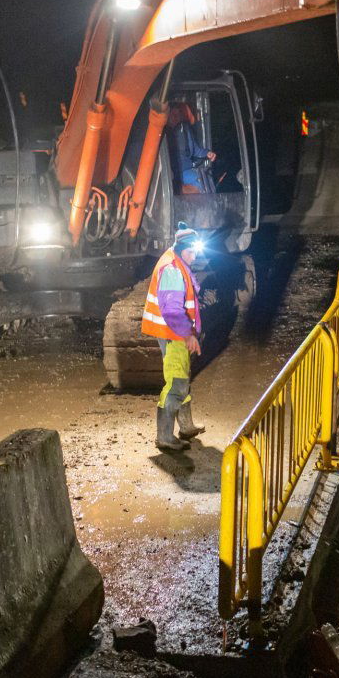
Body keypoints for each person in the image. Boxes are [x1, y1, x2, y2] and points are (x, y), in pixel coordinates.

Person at [141, 225, 207, 451]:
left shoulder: (177, 260)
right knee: (177, 384)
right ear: (180, 248)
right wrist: (188, 335)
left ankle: (186, 427)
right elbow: (171, 310)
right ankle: (165, 437)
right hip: (174, 335)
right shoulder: (172, 269)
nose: (194, 257)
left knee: (182, 379)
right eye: (191, 252)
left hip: (177, 333)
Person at [167, 102, 217, 194]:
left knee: (205, 182)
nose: (175, 118)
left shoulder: (185, 130)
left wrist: (207, 153)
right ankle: (176, 191)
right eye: (173, 115)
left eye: (178, 115)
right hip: (171, 173)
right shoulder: (163, 133)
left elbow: (195, 150)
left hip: (186, 171)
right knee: (199, 185)